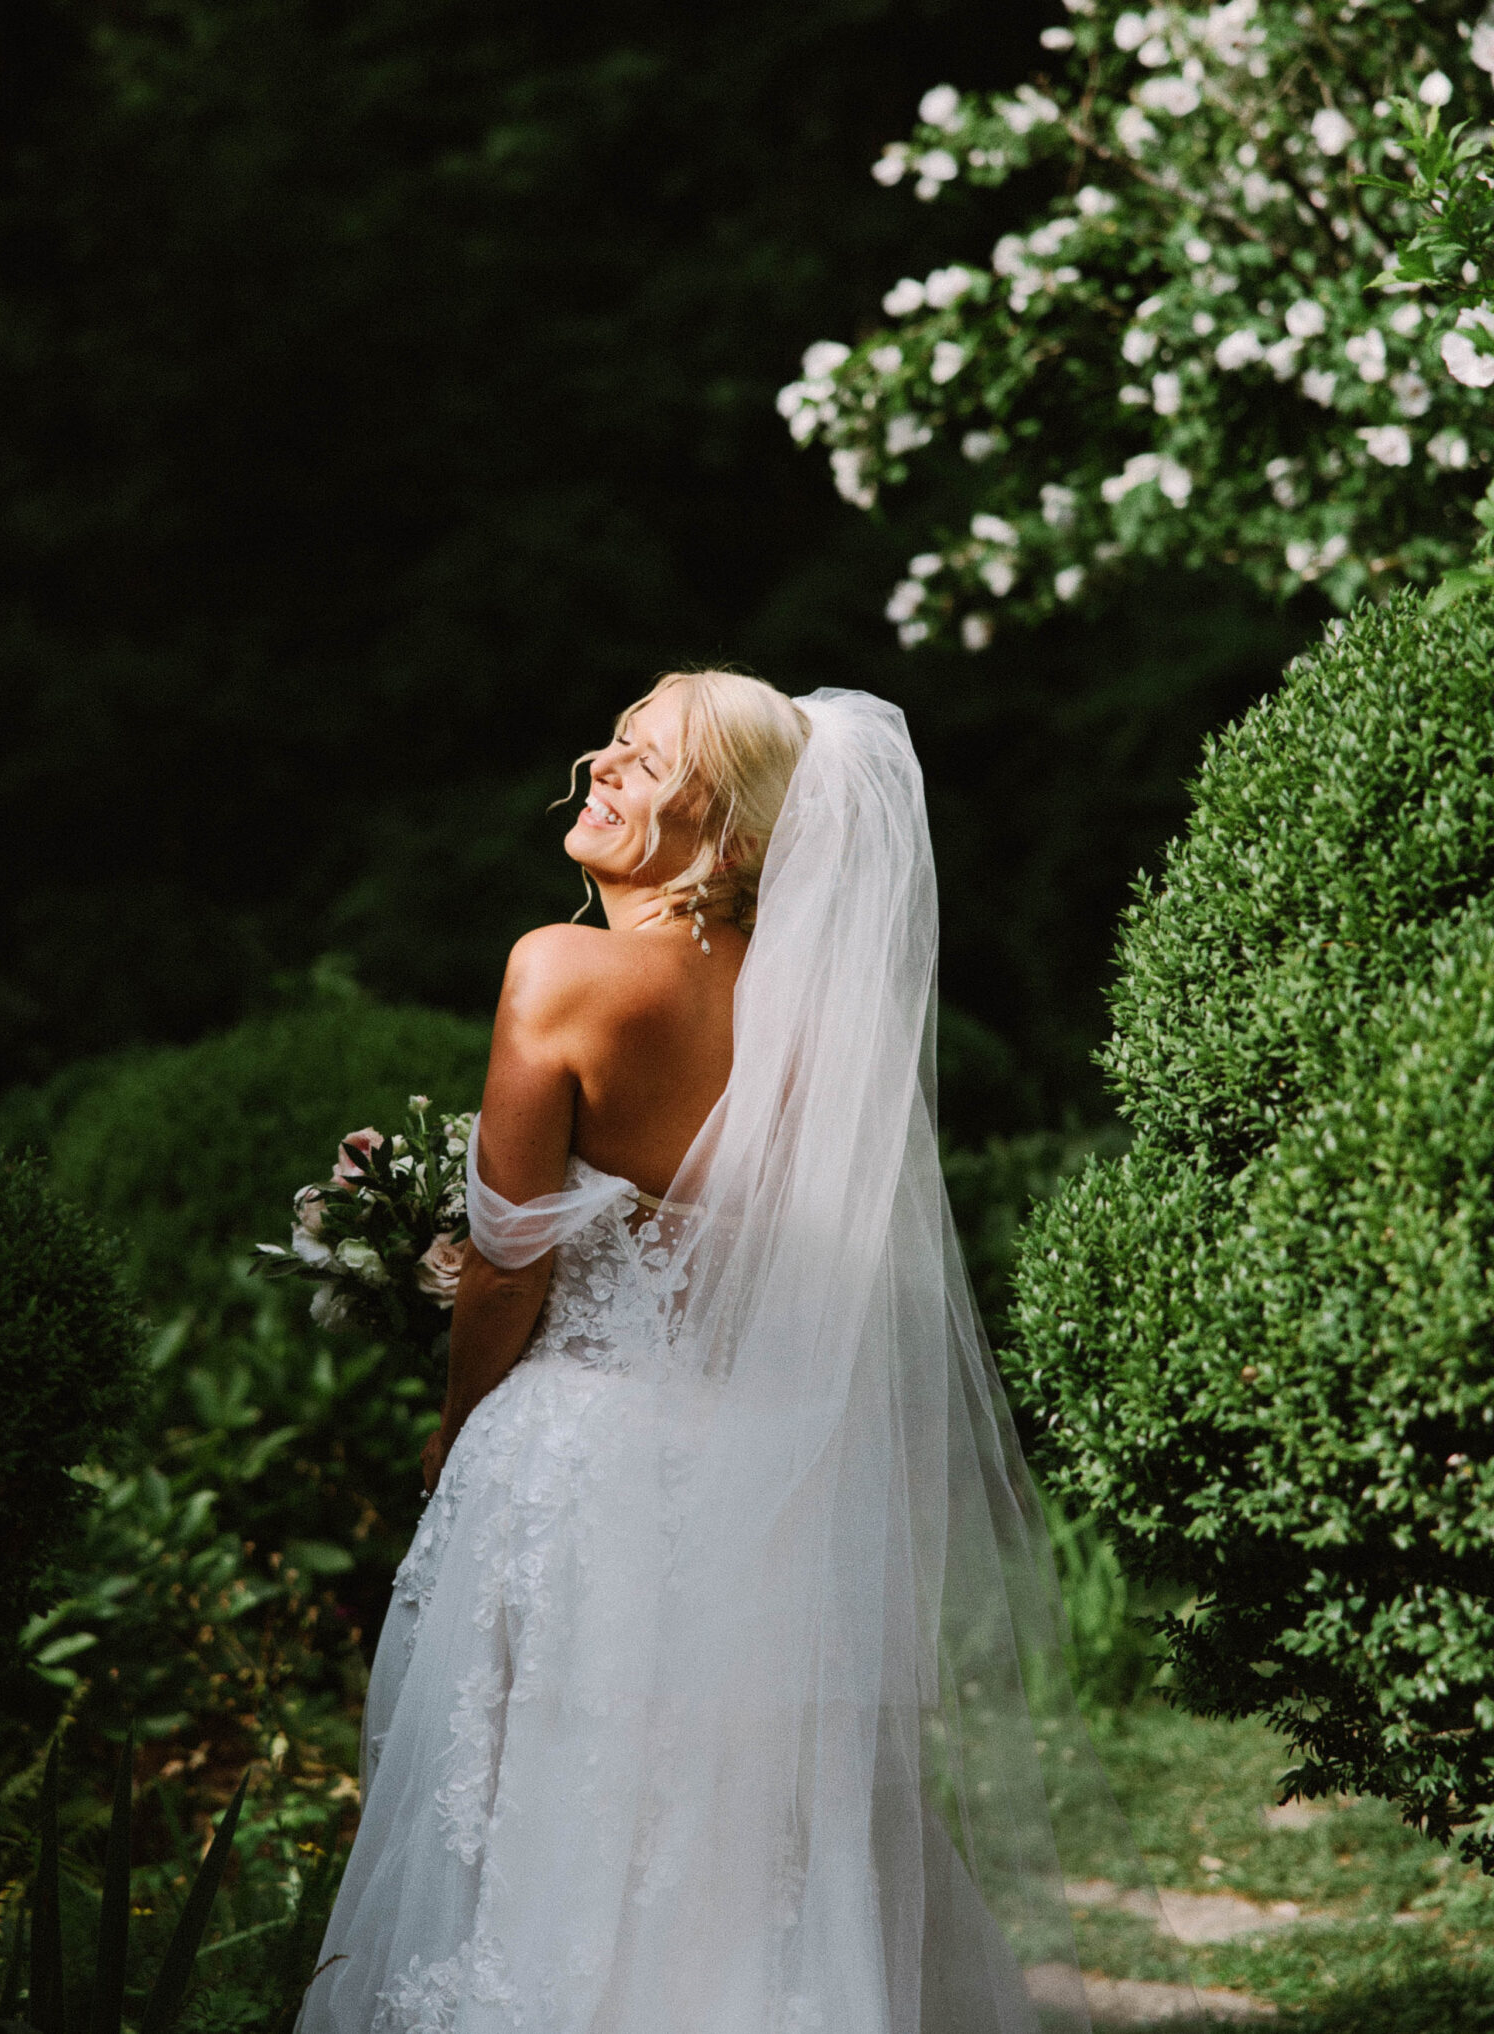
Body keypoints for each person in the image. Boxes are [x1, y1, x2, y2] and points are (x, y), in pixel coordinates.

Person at [300, 672, 1147, 2034]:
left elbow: (513, 1261)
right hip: (766, 1469)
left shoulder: (559, 970)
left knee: (556, 1819)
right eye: (619, 740)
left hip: (577, 1460)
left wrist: (455, 1421)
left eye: (653, 763)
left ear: (738, 837)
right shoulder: (829, 1020)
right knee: (748, 1837)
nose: (607, 767)